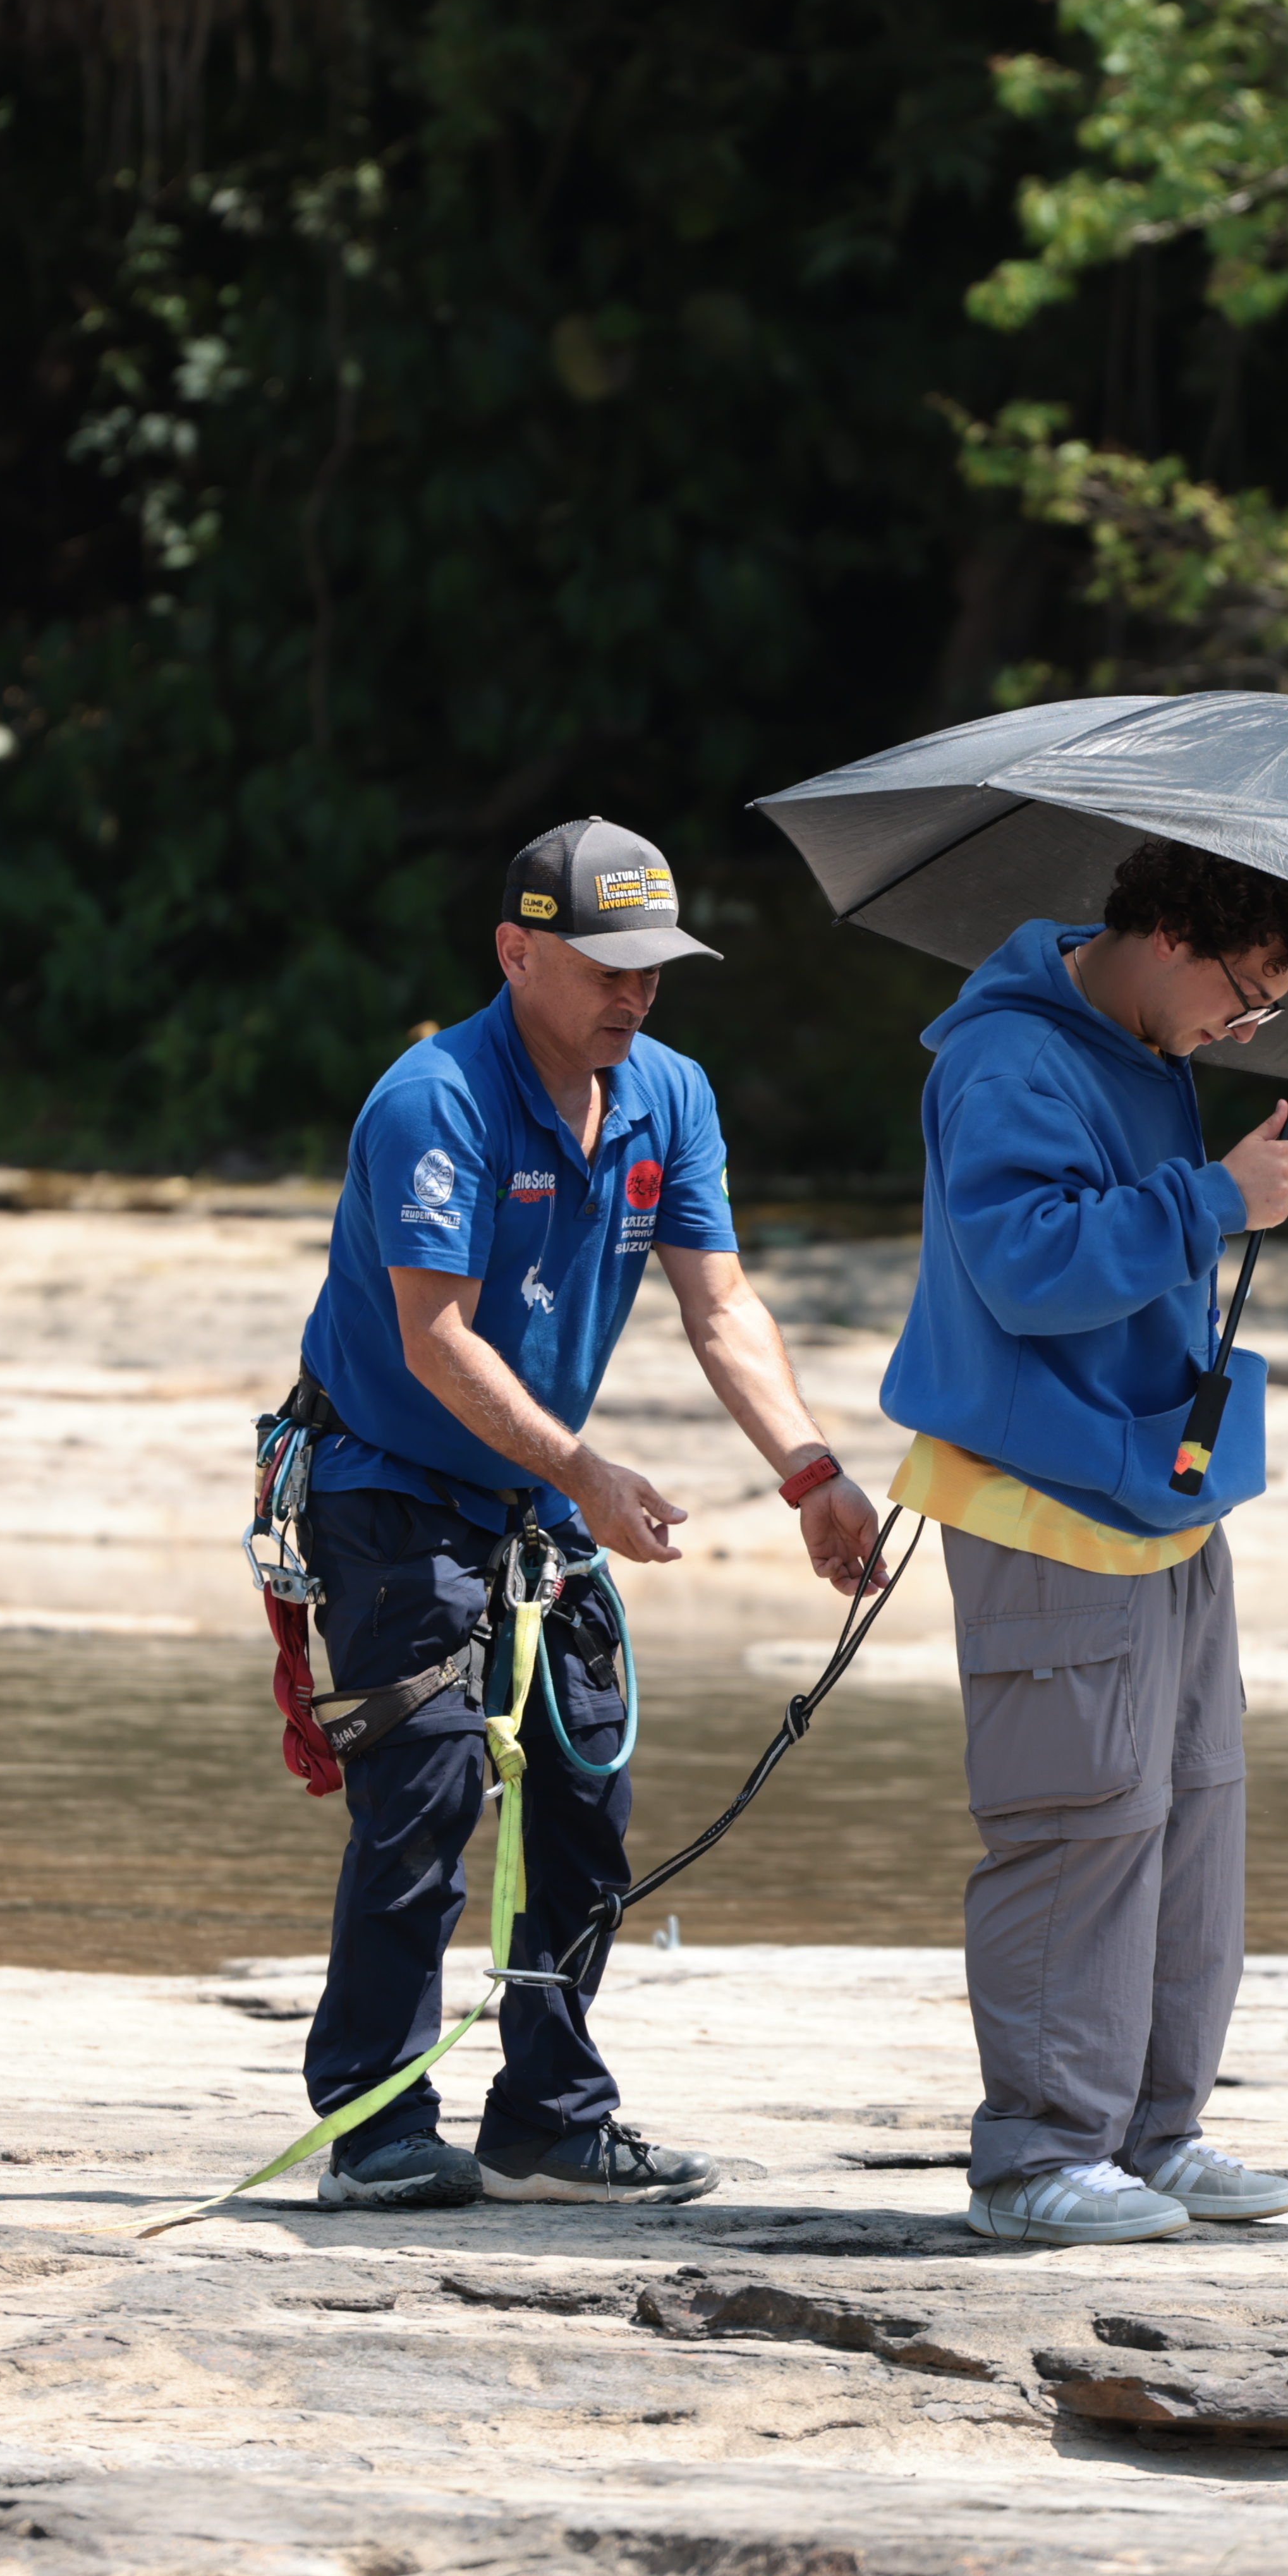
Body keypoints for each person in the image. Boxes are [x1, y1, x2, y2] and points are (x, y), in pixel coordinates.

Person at [286, 817, 892, 2211]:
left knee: (583, 1798)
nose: (634, 994)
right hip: (391, 1486)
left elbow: (719, 1300)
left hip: (535, 1497)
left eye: (655, 971)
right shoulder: (432, 1098)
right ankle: (375, 2123)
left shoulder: (667, 1095)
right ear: (517, 950)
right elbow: (434, 1338)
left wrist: (813, 1471)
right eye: (606, 967)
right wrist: (584, 1471)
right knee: (427, 1793)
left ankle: (548, 2114)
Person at [875, 837, 1288, 2245]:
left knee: (1194, 1813)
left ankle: (1153, 2129)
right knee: (1077, 1823)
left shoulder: (1147, 1048)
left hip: (1160, 1493)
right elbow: (1027, 1267)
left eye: (1266, 1014)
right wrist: (1213, 1198)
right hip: (1046, 1499)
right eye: (1245, 995)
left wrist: (1214, 1192)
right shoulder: (1010, 1057)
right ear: (1171, 933)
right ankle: (1037, 2155)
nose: (1243, 1029)